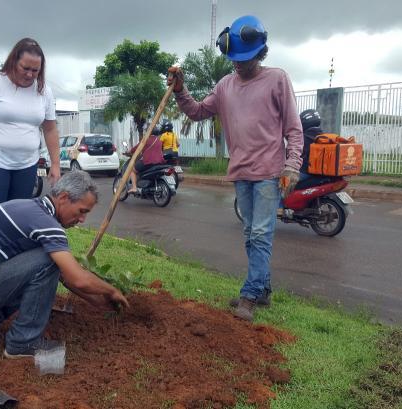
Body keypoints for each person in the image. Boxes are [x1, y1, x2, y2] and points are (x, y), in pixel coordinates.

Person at [167, 15, 303, 321]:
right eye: (235, 60)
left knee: (260, 233)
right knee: (249, 233)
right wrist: (180, 89)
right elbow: (198, 111)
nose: (239, 65)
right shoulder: (225, 85)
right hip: (241, 171)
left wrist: (292, 165)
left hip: (270, 171)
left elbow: (294, 128)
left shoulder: (277, 79)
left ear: (260, 53)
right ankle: (263, 289)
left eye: (246, 59)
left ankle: (250, 295)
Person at [0, 170, 129, 359]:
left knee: (48, 264)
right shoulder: (45, 223)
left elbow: (65, 277)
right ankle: (23, 343)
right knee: (48, 261)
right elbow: (77, 278)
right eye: (82, 211)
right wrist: (111, 291)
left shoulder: (30, 208)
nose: (82, 220)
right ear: (63, 198)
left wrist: (98, 302)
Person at [0, 38, 61, 226]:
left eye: (35, 70)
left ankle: (8, 256)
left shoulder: (44, 91)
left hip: (26, 163)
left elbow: (50, 128)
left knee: (17, 216)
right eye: (25, 68)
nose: (30, 75)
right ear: (14, 61)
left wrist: (55, 164)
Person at [128, 126, 166, 193]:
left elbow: (137, 148)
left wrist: (130, 151)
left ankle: (134, 187)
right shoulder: (159, 141)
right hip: (159, 162)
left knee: (132, 170)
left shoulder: (146, 140)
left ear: (149, 132)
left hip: (148, 162)